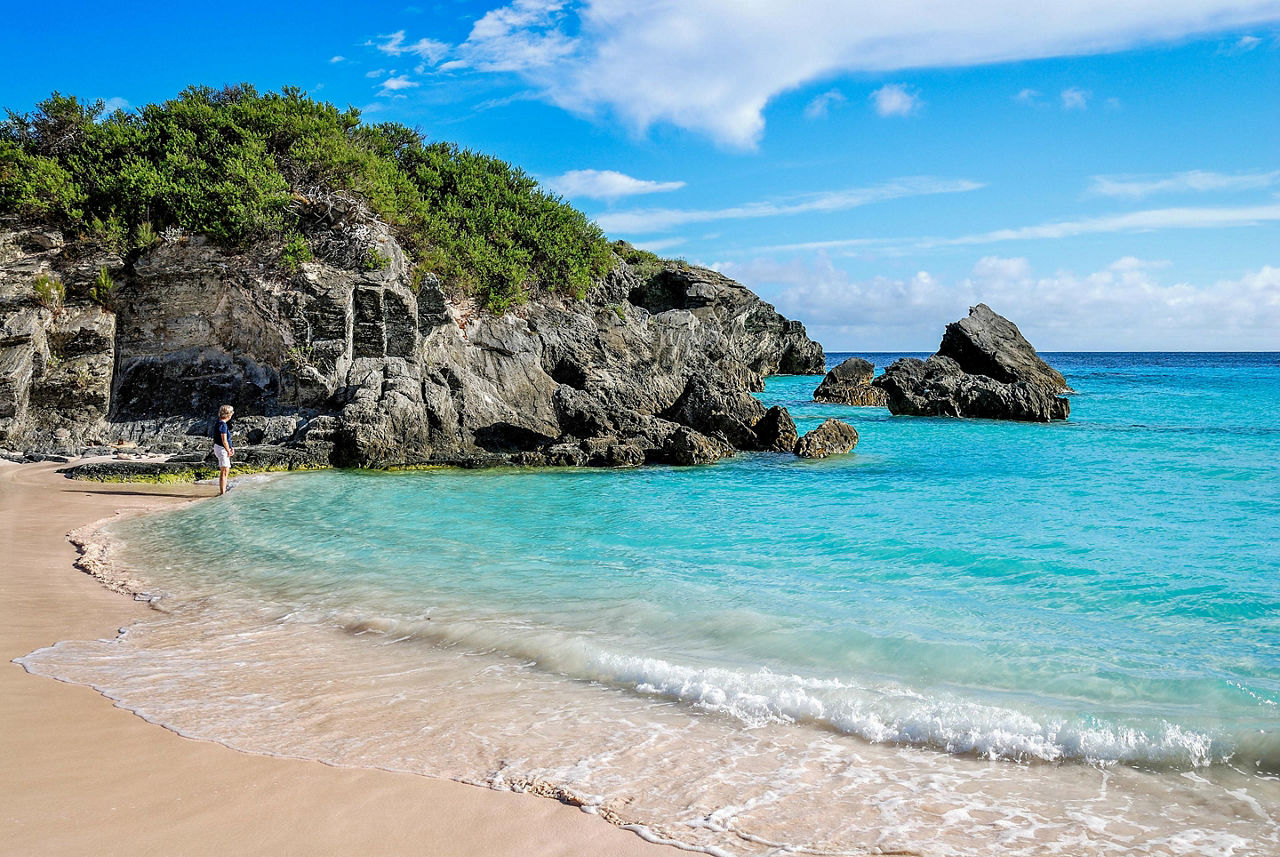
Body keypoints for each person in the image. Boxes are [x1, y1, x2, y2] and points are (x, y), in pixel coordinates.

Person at [213, 404, 235, 495]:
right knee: (224, 471)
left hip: (220, 448)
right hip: (222, 449)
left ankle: (223, 490)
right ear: (228, 414)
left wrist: (230, 447)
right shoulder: (222, 425)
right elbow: (224, 440)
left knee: (225, 470)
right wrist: (228, 450)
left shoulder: (220, 423)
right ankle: (223, 493)